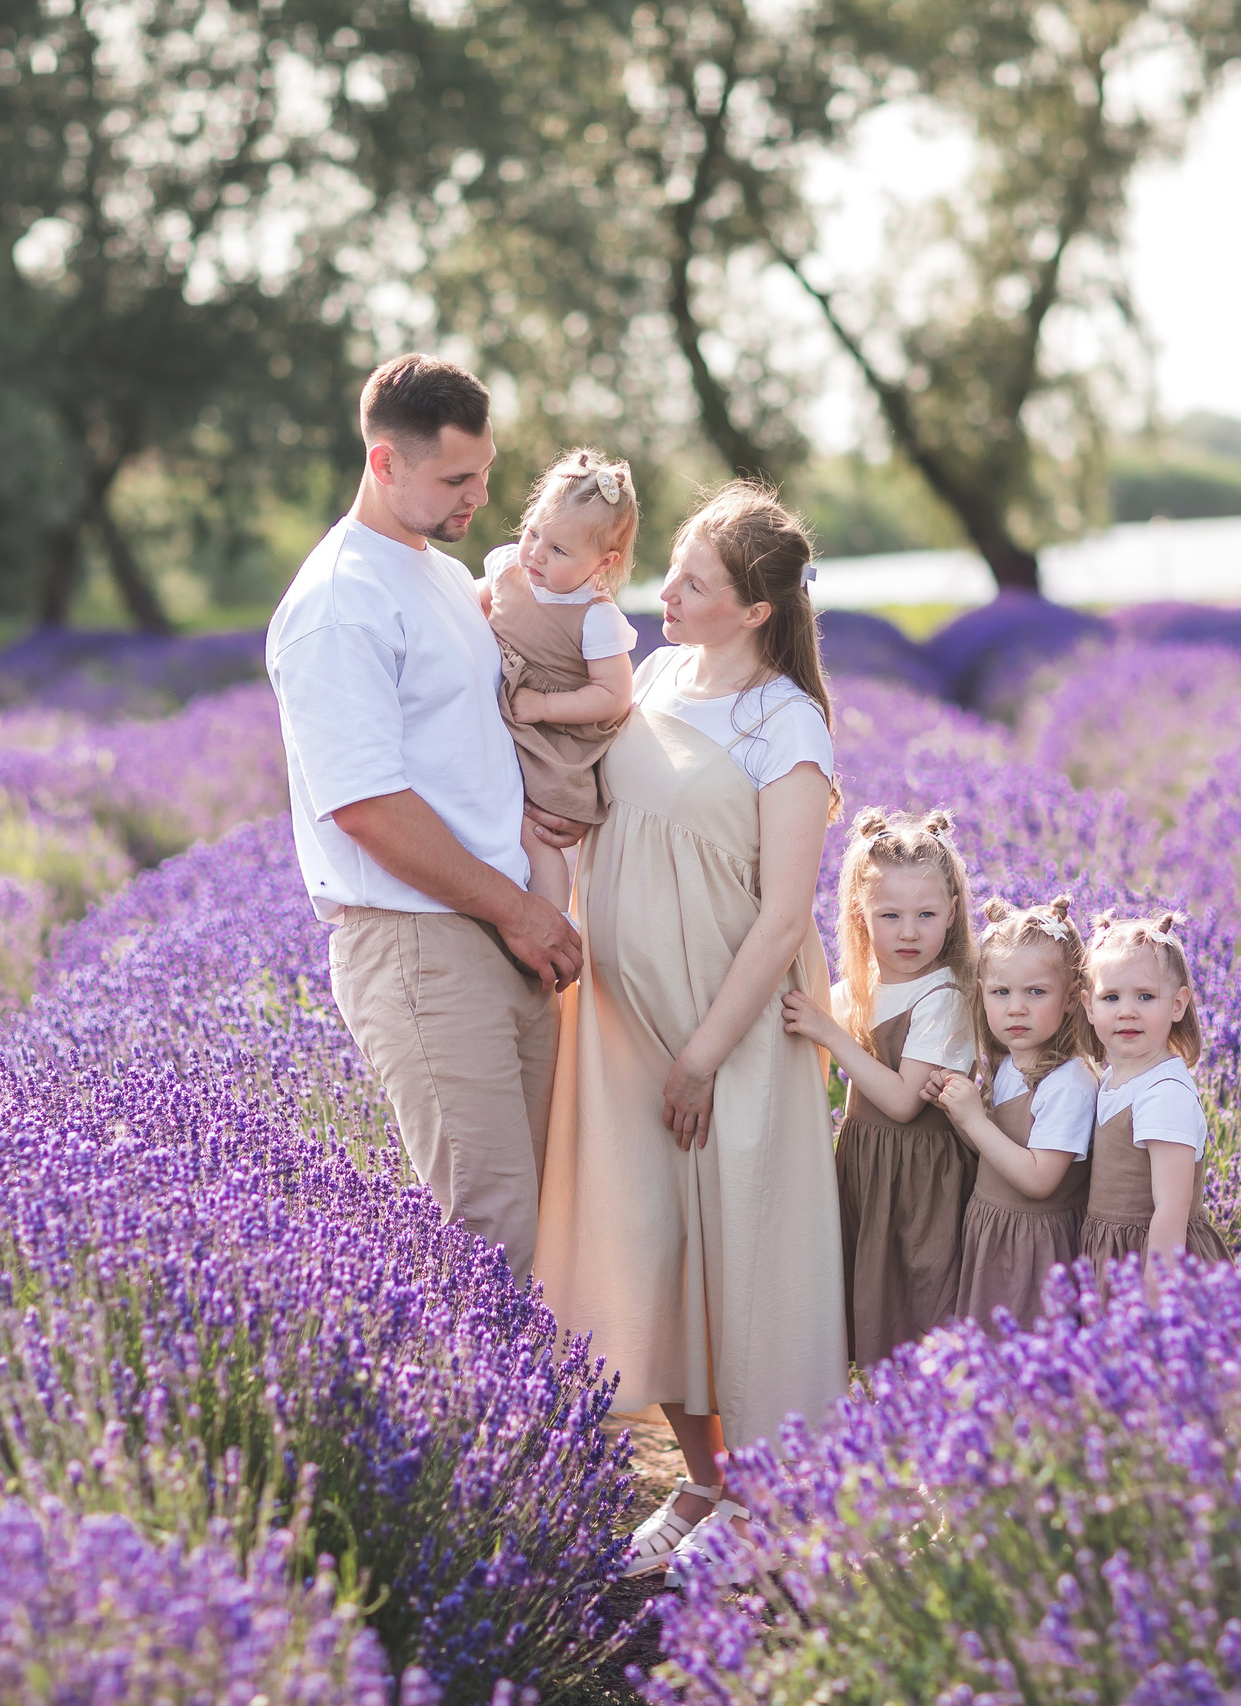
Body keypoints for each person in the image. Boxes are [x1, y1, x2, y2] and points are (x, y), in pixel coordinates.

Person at [531, 480, 845, 1587]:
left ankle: (769, 1502)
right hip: (618, 1025)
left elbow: (780, 915)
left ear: (754, 608)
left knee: (740, 1259)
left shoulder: (785, 723)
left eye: (693, 581)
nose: (664, 590)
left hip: (726, 1037)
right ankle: (704, 1476)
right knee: (647, 1246)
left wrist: (706, 1050)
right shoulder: (655, 675)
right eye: (670, 567)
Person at [265, 354, 583, 1280]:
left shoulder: (439, 574)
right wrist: (520, 909)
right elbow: (366, 806)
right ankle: (496, 1427)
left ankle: (563, 1423)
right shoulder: (338, 604)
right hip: (420, 943)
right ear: (384, 463)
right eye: (456, 478)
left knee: (546, 1223)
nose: (480, 496)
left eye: (484, 473)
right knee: (491, 1234)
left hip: (499, 926)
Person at [782, 807, 979, 1368]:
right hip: (871, 1166)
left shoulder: (941, 996)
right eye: (890, 915)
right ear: (859, 914)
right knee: (872, 1296)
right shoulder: (864, 986)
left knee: (917, 1302)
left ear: (953, 913)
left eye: (926, 914)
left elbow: (899, 1101)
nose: (910, 932)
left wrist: (826, 1030)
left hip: (922, 1178)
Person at [477, 449, 640, 913]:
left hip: (551, 740)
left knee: (535, 831)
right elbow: (469, 606)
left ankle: (551, 921)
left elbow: (614, 695)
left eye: (559, 550)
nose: (536, 554)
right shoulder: (509, 568)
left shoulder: (597, 617)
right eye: (533, 533)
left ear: (603, 563)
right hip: (501, 718)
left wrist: (545, 707)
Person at [934, 896, 1099, 1326]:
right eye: (1001, 992)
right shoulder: (1009, 1064)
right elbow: (998, 1150)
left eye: (1036, 992)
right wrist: (957, 1110)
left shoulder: (1069, 1083)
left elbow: (1039, 1178)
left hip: (1036, 1250)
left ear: (1070, 999)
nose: (1016, 1008)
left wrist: (974, 1119)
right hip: (995, 1236)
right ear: (982, 993)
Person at [1078, 911, 1232, 1292]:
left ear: (1178, 1005)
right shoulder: (1113, 1077)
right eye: (1110, 997)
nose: (1127, 1011)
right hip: (1111, 1254)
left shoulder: (1164, 1094)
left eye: (1145, 997)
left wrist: (1153, 1305)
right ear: (1088, 1006)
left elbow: (1170, 1211)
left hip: (1151, 1263)